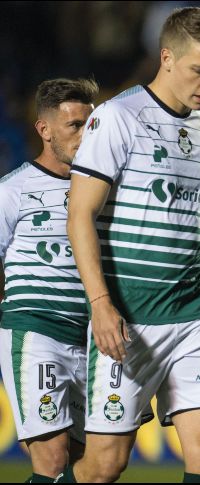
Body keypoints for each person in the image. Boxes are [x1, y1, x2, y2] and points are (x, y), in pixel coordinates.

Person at [61, 7, 200, 483]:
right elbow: (79, 215)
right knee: (105, 465)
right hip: (129, 319)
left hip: (195, 316)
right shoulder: (118, 118)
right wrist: (100, 304)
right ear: (167, 58)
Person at [0, 78, 97, 483]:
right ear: (45, 130)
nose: (85, 135)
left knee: (87, 464)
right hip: (35, 330)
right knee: (53, 459)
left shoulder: (100, 191)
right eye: (74, 125)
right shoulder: (14, 190)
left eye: (90, 125)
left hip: (90, 339)